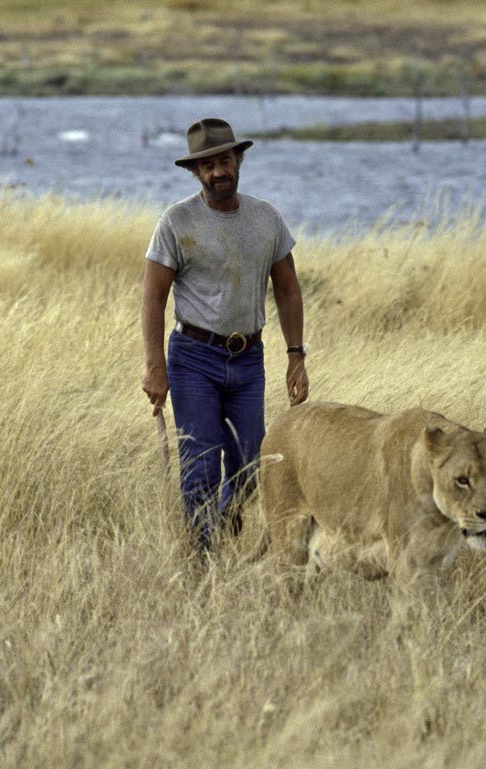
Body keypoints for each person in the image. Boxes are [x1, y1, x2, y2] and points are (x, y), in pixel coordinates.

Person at [141, 118, 309, 552]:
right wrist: (155, 367)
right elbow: (153, 298)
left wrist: (296, 356)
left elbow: (288, 290)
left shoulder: (266, 218)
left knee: (251, 468)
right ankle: (202, 561)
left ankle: (224, 525)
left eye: (226, 161)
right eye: (209, 165)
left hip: (249, 360)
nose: (219, 171)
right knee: (200, 465)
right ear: (196, 173)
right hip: (193, 357)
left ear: (239, 160)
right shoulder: (176, 222)